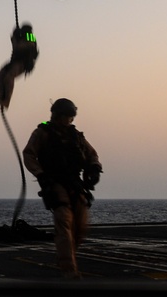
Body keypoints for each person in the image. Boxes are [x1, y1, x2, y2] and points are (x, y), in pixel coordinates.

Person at [23, 98, 102, 278]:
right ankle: (69, 270)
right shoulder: (42, 133)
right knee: (64, 222)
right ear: (58, 115)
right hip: (54, 183)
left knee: (80, 227)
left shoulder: (76, 136)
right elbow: (29, 154)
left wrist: (95, 168)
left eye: (71, 117)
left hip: (75, 184)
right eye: (67, 116)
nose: (69, 120)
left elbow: (92, 154)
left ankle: (65, 257)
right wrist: (41, 175)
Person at [0, 23, 38, 109]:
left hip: (24, 63)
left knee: (9, 77)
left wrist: (16, 39)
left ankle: (6, 101)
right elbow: (16, 46)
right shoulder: (21, 37)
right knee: (0, 75)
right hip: (15, 61)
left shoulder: (31, 36)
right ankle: (2, 96)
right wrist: (15, 37)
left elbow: (22, 47)